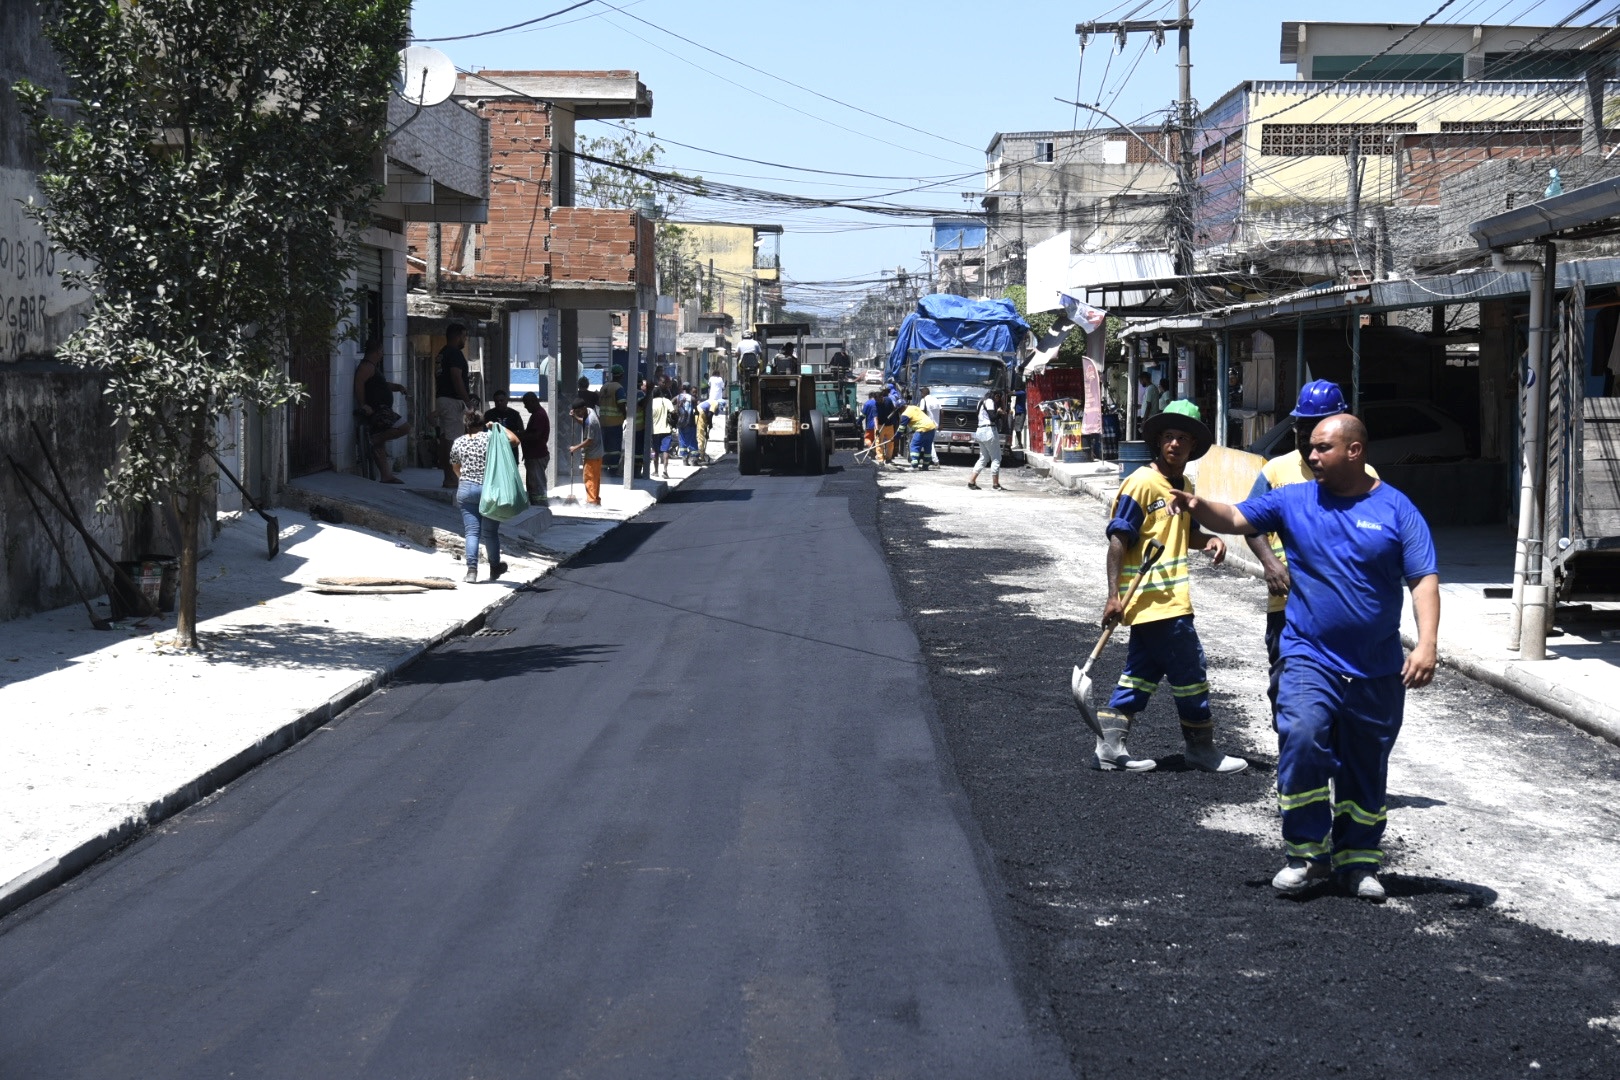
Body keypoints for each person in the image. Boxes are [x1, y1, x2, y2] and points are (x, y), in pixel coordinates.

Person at [1166, 413, 1439, 901]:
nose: (1310, 456)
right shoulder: (1293, 499)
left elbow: (1423, 579)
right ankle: (1306, 854)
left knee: (1366, 763)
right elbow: (1236, 517)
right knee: (1303, 735)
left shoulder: (1398, 510)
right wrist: (1197, 505)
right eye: (1309, 447)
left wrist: (1426, 644)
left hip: (1377, 669)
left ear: (1354, 451)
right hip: (1309, 655)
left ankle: (1357, 863)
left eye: (1321, 448)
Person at [1096, 400, 1247, 775]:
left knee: (1141, 674)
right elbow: (1118, 539)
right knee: (1190, 672)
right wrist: (1113, 595)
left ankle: (1110, 746)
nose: (1175, 444)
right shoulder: (1142, 483)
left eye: (1183, 438)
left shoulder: (1183, 486)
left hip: (1164, 602)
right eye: (1168, 437)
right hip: (1154, 600)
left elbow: (1186, 533)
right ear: (1158, 442)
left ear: (1193, 445)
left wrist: (1209, 539)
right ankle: (1201, 748)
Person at [1244, 380, 1379, 719]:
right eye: (1301, 430)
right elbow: (1249, 522)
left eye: (1315, 430)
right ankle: (1296, 761)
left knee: (1342, 699)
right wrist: (1271, 562)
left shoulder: (1367, 476)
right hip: (1288, 607)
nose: (1306, 440)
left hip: (1343, 610)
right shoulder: (1276, 471)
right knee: (1287, 692)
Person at [449, 409, 519, 583]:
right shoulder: (491, 439)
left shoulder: (458, 442)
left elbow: (455, 466)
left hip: (466, 489)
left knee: (472, 532)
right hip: (490, 491)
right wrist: (497, 426)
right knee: (490, 532)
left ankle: (472, 571)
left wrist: (464, 481)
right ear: (482, 423)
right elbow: (515, 440)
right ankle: (494, 568)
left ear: (466, 424)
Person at [353, 337, 409, 484]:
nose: (383, 354)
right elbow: (359, 384)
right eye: (382, 351)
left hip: (381, 408)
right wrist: (363, 404)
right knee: (404, 427)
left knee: (380, 445)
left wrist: (397, 387)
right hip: (378, 410)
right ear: (377, 351)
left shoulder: (373, 367)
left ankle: (386, 475)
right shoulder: (366, 366)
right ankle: (374, 439)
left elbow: (382, 385)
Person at [436, 323, 475, 489]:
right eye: (464, 336)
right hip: (452, 401)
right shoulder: (454, 354)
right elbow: (456, 378)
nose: (465, 340)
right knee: (454, 442)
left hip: (443, 399)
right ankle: (451, 477)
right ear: (458, 336)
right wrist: (467, 401)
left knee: (446, 440)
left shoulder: (443, 353)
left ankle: (449, 477)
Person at [967, 389, 1005, 491]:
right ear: (996, 395)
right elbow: (992, 418)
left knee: (983, 458)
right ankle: (995, 484)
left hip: (980, 430)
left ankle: (971, 481)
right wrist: (999, 412)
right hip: (989, 430)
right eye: (998, 397)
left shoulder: (980, 401)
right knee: (996, 458)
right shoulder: (990, 401)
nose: (998, 400)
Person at [568, 398, 604, 506]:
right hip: (597, 453)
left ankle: (591, 501)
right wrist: (575, 417)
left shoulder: (591, 421)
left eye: (579, 411)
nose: (578, 413)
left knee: (589, 478)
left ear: (583, 408)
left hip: (592, 454)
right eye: (576, 412)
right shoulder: (589, 411)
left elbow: (589, 440)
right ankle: (596, 500)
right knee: (595, 478)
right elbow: (583, 421)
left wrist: (576, 447)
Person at [519, 391, 550, 503]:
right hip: (534, 456)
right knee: (533, 484)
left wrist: (520, 435)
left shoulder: (539, 415)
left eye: (526, 403)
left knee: (537, 485)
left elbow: (535, 435)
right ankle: (536, 503)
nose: (525, 406)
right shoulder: (537, 414)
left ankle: (540, 505)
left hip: (537, 456)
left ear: (533, 402)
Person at [599, 365, 627, 475]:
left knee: (605, 447)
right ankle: (614, 469)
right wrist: (625, 415)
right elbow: (621, 404)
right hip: (615, 422)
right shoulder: (618, 388)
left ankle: (604, 468)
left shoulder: (604, 387)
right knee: (615, 448)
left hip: (603, 422)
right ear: (621, 375)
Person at [895, 401, 938, 470]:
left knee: (915, 446)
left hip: (922, 429)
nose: (899, 412)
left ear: (901, 408)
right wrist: (914, 428)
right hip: (931, 427)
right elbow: (918, 418)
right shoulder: (913, 407)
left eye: (898, 410)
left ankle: (914, 465)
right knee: (927, 446)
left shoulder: (905, 414)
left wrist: (897, 436)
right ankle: (925, 466)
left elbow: (902, 427)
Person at [650, 386, 675, 479]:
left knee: (654, 451)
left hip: (654, 431)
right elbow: (673, 412)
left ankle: (656, 471)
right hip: (666, 430)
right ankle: (665, 471)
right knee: (665, 450)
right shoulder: (666, 401)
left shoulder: (650, 402)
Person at [674, 383, 699, 464]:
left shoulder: (678, 397)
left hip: (680, 422)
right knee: (692, 440)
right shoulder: (691, 398)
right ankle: (694, 458)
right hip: (690, 422)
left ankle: (684, 458)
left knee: (682, 440)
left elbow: (671, 402)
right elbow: (696, 407)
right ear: (689, 389)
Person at [919, 385, 943, 466]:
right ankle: (928, 460)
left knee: (929, 443)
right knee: (930, 443)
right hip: (936, 425)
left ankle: (935, 461)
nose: (921, 394)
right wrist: (941, 424)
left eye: (921, 392)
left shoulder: (924, 400)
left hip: (928, 425)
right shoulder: (936, 399)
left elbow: (922, 412)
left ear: (923, 393)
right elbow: (942, 411)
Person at [873, 391, 897, 465]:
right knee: (879, 442)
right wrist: (877, 429)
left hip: (889, 425)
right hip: (880, 425)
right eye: (876, 400)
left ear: (882, 397)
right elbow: (875, 418)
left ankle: (888, 458)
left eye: (879, 400)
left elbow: (894, 410)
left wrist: (890, 417)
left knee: (890, 442)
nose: (878, 402)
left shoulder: (888, 400)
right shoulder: (876, 405)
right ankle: (880, 459)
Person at [695, 396, 714, 463]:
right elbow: (709, 416)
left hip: (700, 421)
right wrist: (710, 424)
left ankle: (701, 455)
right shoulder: (705, 412)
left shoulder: (705, 412)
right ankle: (700, 455)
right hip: (698, 422)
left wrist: (706, 433)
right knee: (700, 438)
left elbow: (705, 424)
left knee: (702, 437)